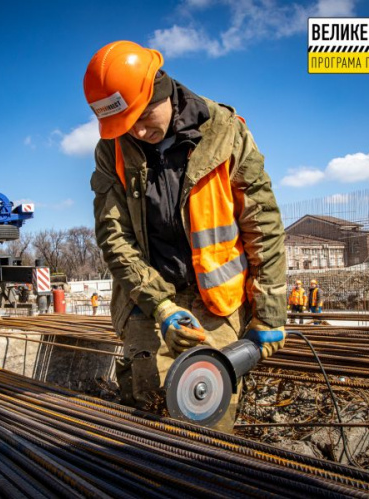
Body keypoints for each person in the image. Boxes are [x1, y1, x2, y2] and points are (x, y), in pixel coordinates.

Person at [84, 41, 287, 432]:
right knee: (148, 418)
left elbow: (263, 226)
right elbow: (114, 236)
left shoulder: (226, 133)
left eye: (143, 117)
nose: (138, 132)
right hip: (148, 301)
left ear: (160, 90)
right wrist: (160, 307)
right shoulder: (112, 149)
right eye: (126, 125)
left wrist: (271, 313)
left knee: (209, 418)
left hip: (218, 305)